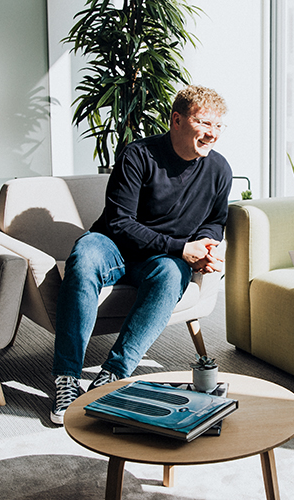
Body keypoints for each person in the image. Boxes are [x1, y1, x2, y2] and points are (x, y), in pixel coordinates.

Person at [50, 85, 232, 424]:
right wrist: (180, 248)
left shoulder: (219, 170)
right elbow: (119, 222)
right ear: (176, 120)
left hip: (159, 260)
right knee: (83, 258)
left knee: (170, 275)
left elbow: (215, 220)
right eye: (205, 123)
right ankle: (67, 377)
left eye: (219, 126)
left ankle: (114, 374)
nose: (213, 135)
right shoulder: (138, 155)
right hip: (113, 245)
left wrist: (207, 244)